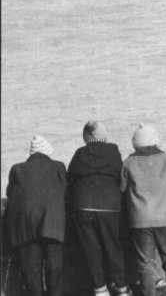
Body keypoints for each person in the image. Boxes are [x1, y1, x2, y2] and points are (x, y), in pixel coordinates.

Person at [67, 121, 129, 296]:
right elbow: (119, 175)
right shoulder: (114, 151)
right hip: (109, 206)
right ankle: (122, 288)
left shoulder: (79, 154)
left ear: (86, 138)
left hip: (83, 207)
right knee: (113, 247)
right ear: (105, 136)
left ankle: (100, 290)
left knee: (91, 250)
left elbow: (70, 179)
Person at [121, 124, 166, 296]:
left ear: (135, 143)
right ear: (155, 140)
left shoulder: (128, 162)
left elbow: (121, 187)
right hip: (165, 217)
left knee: (145, 261)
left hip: (139, 218)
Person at [5, 136, 67, 296]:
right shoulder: (58, 166)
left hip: (25, 225)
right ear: (47, 153)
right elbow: (65, 190)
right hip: (51, 222)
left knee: (32, 271)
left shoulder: (17, 169)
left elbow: (9, 192)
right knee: (54, 267)